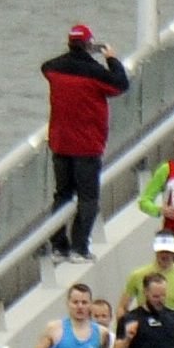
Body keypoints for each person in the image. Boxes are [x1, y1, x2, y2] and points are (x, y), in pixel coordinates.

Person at [42, 24, 129, 260]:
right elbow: (120, 84)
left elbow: (45, 67)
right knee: (88, 197)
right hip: (87, 145)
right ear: (90, 46)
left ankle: (59, 245)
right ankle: (79, 246)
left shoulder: (54, 69)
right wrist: (111, 59)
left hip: (60, 142)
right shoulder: (95, 73)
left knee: (62, 195)